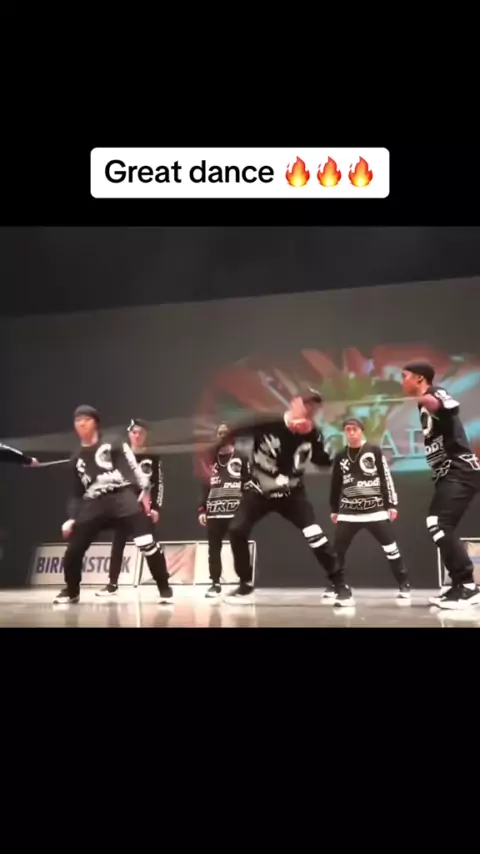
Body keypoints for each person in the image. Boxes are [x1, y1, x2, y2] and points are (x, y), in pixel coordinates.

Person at [210, 391, 348, 603]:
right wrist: (220, 442)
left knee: (313, 533)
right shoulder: (269, 424)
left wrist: (313, 438)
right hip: (260, 491)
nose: (310, 411)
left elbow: (322, 461)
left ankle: (340, 585)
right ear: (294, 403)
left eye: (314, 408)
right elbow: (235, 431)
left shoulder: (312, 432)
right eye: (306, 405)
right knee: (237, 530)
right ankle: (245, 585)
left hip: (291, 493)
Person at [53, 406, 173, 605]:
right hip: (94, 504)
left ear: (95, 423)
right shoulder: (76, 458)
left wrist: (143, 493)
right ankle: (72, 590)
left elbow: (130, 469)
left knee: (146, 543)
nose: (82, 423)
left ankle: (164, 588)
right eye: (78, 420)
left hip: (122, 498)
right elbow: (76, 493)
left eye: (86, 419)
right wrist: (72, 517)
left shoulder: (114, 443)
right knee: (74, 549)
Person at [401, 362, 480, 609]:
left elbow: (448, 407)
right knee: (437, 525)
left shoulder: (434, 393)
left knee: (439, 523)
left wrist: (430, 401)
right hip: (448, 474)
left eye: (404, 376)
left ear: (419, 378)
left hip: (460, 470)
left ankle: (468, 587)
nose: (402, 381)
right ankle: (458, 584)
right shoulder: (421, 403)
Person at [326, 417, 410, 605]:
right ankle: (335, 585)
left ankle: (404, 584)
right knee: (337, 551)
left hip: (375, 510)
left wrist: (391, 504)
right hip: (349, 510)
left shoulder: (374, 451)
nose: (351, 433)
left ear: (361, 430)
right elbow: (336, 483)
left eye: (354, 429)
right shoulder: (341, 455)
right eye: (347, 430)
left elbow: (385, 477)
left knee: (391, 548)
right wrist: (334, 509)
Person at [96, 418, 167, 596]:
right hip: (122, 507)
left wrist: (156, 507)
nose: (137, 436)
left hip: (143, 509)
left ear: (146, 435)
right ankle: (112, 584)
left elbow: (158, 484)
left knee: (150, 546)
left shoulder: (153, 458)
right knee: (117, 545)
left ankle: (163, 583)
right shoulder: (120, 457)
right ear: (129, 434)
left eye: (141, 433)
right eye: (134, 432)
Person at [198, 422, 249, 598]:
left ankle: (244, 583)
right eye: (219, 433)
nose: (222, 436)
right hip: (214, 511)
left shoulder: (241, 457)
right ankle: (215, 584)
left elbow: (248, 483)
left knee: (239, 547)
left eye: (225, 433)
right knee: (213, 549)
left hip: (235, 511)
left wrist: (246, 508)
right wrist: (202, 509)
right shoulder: (210, 460)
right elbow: (205, 486)